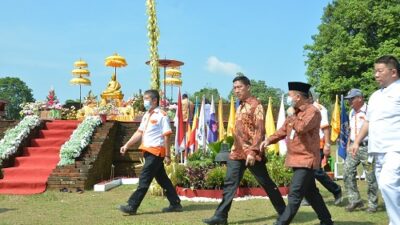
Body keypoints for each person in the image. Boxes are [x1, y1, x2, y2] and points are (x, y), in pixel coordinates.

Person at [203, 75, 286, 225]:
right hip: (237, 152)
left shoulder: (256, 105)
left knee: (266, 183)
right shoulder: (240, 105)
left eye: (239, 87)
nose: (236, 90)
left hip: (251, 153)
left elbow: (260, 131)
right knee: (230, 183)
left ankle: (284, 213)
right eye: (234, 88)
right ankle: (221, 216)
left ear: (248, 87)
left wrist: (253, 152)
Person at [261, 82, 333, 225]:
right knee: (311, 193)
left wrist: (293, 115)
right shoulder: (295, 111)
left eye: (290, 96)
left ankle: (281, 222)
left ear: (298, 97)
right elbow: (283, 130)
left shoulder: (312, 112)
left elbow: (301, 128)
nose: (289, 98)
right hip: (296, 159)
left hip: (307, 159)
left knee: (295, 193)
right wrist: (268, 140)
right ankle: (326, 221)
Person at [351, 55, 400, 224]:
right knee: (387, 190)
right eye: (375, 71)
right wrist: (356, 141)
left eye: (380, 71)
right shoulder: (375, 96)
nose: (376, 75)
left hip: (395, 149)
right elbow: (368, 122)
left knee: (388, 184)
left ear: (393, 72)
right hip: (377, 151)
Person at [118, 89, 182, 215]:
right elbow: (139, 132)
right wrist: (126, 145)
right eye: (144, 99)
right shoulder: (147, 115)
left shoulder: (162, 115)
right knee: (163, 180)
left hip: (156, 152)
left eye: (146, 99)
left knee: (144, 179)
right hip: (148, 152)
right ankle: (175, 204)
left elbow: (167, 136)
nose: (144, 101)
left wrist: (168, 155)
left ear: (154, 100)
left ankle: (132, 206)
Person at [300, 95, 342, 206]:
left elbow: (326, 128)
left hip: (318, 144)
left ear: (309, 98)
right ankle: (310, 197)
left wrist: (328, 145)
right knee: (306, 170)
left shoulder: (320, 109)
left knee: (316, 171)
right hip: (305, 146)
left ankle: (336, 190)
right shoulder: (302, 109)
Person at [343, 88, 379, 213]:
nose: (349, 102)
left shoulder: (370, 110)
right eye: (348, 100)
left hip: (368, 147)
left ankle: (372, 204)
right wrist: (349, 144)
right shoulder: (351, 112)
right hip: (354, 147)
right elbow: (351, 131)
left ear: (360, 98)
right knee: (347, 172)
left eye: (351, 99)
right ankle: (355, 200)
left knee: (370, 176)